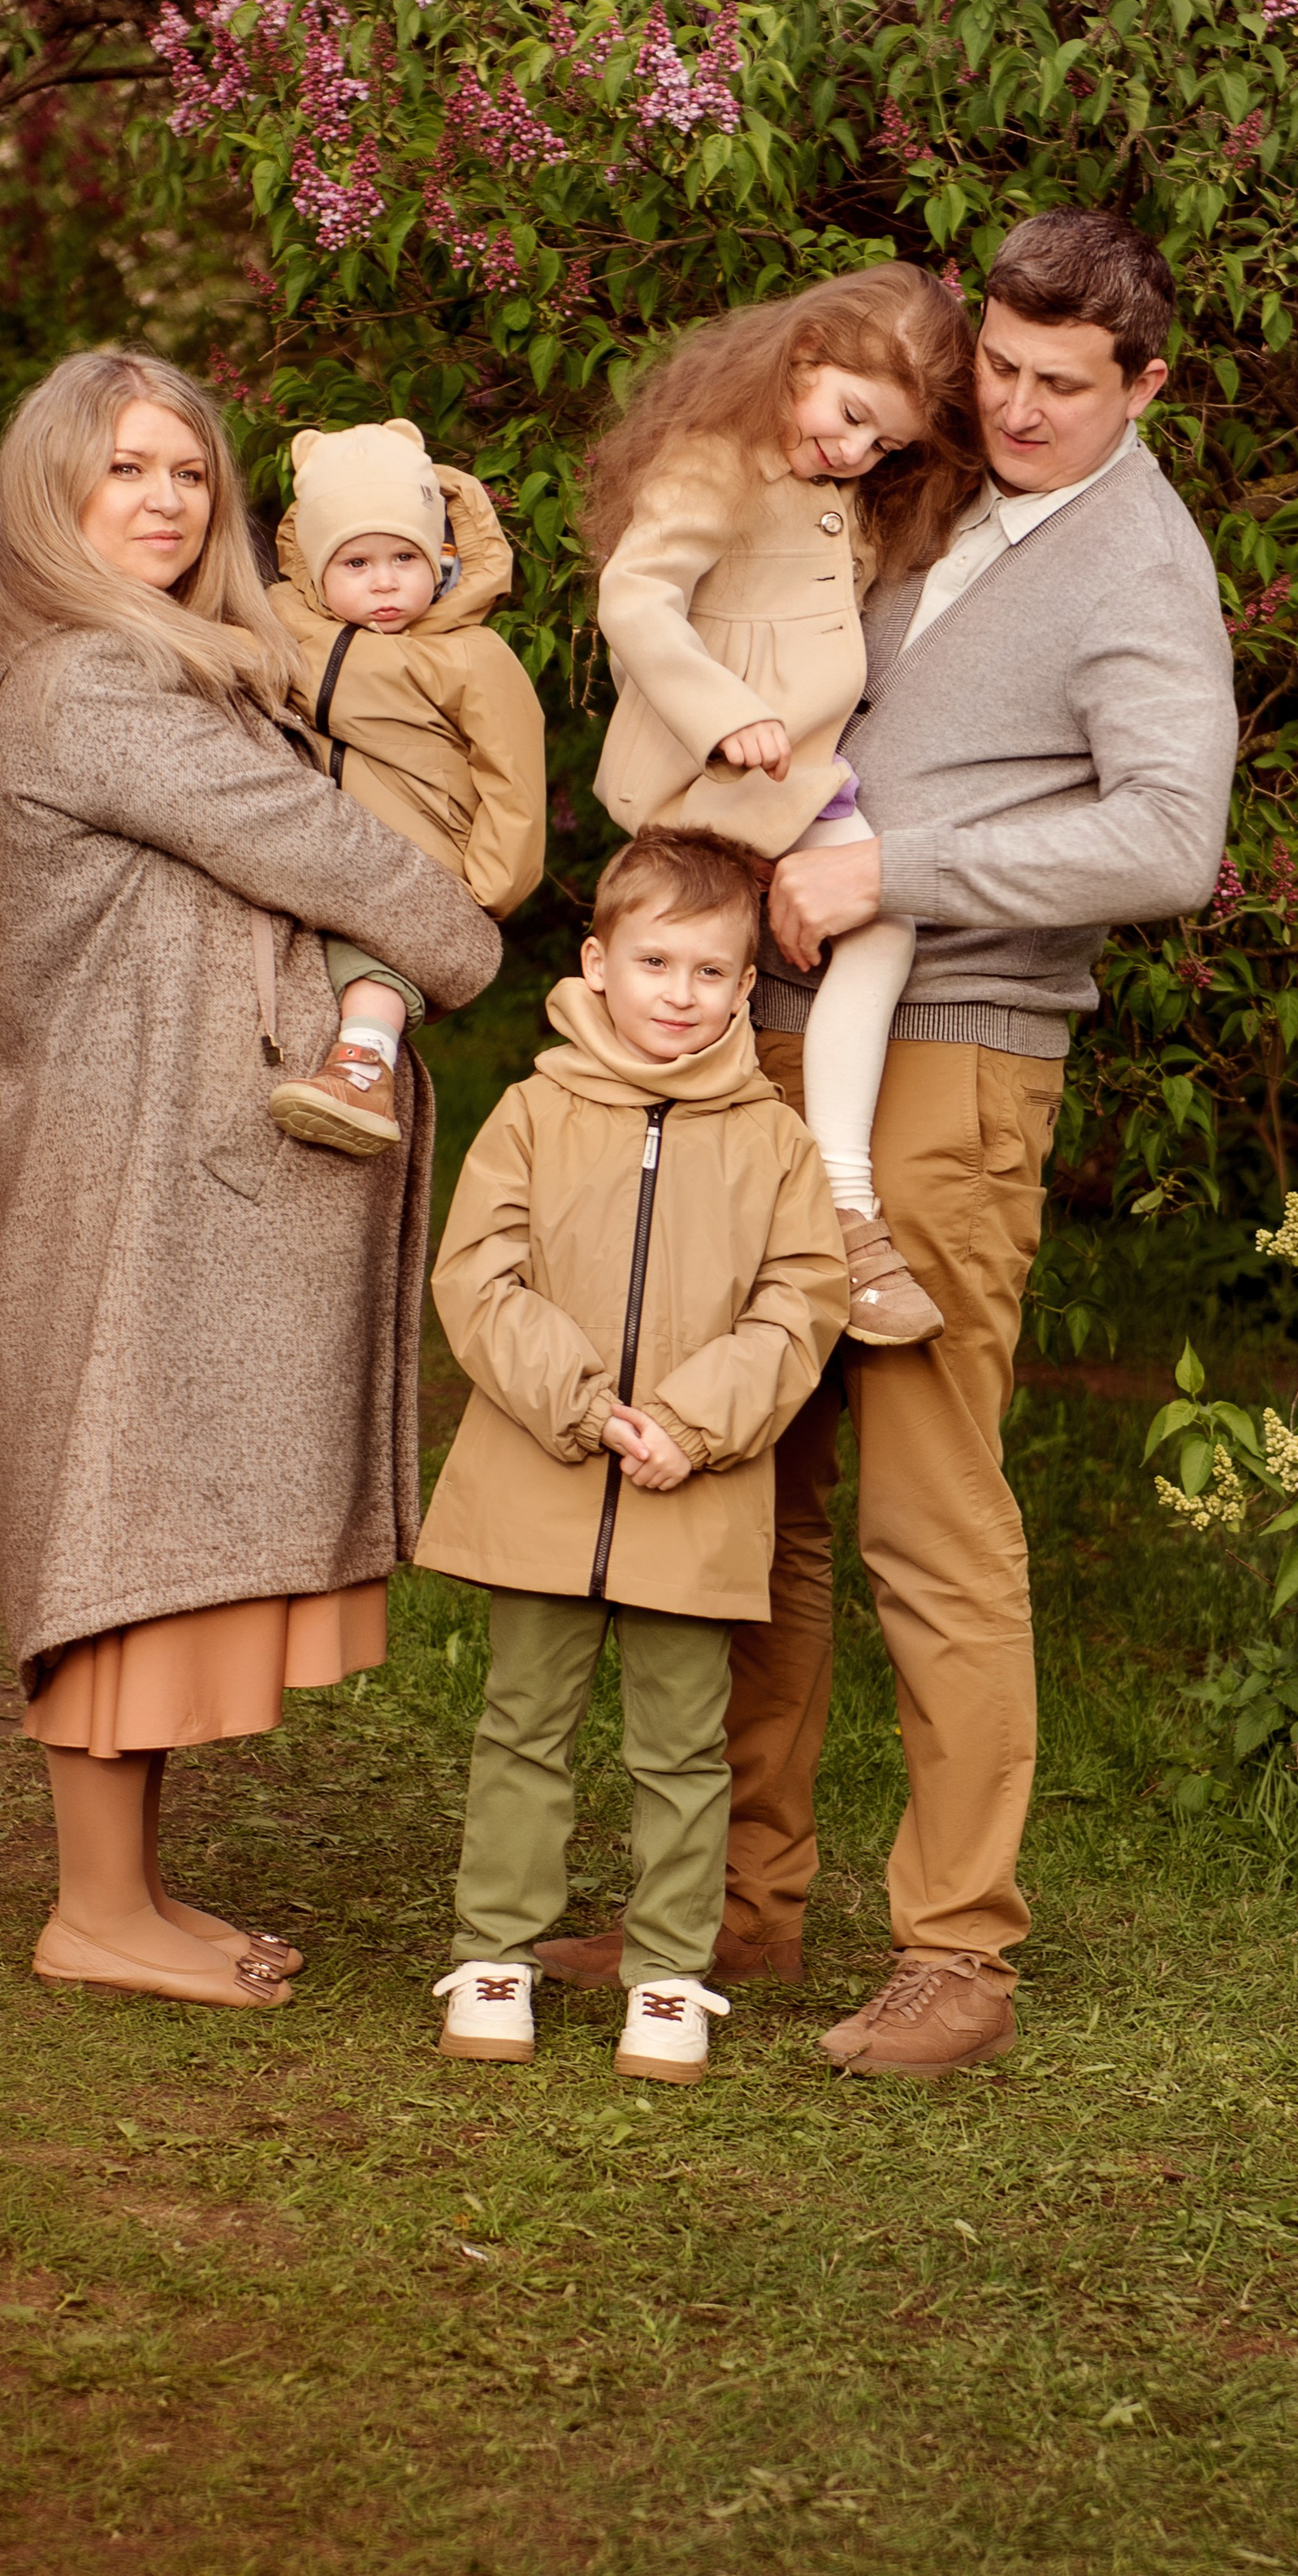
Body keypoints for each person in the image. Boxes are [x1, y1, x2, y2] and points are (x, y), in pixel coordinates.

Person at [540, 208, 1239, 2077]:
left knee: (925, 1512)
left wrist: (894, 866)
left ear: (1144, 385)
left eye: (1059, 384)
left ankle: (956, 1950)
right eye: (993, 365)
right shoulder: (921, 492)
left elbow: (1166, 836)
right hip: (763, 1036)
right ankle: (731, 1903)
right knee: (744, 1485)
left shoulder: (1136, 565)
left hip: (952, 1057)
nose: (1012, 406)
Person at [0, 350, 500, 2009]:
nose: (162, 500)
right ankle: (95, 1910)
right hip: (136, 1159)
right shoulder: (94, 682)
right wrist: (456, 933)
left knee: (145, 1505)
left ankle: (129, 1893)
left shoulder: (168, 665)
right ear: (50, 492)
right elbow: (320, 847)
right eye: (123, 468)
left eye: (187, 472)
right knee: (117, 1511)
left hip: (163, 1151)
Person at [413, 828, 848, 2085]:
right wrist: (586, 1404)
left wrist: (693, 1423)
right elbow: (477, 1274)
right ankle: (494, 1953)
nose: (680, 993)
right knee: (522, 1725)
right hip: (544, 1476)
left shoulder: (773, 1139)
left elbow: (802, 1301)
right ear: (599, 962)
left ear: (746, 984)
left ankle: (667, 1970)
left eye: (711, 971)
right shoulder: (533, 1112)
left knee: (684, 1745)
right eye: (655, 961)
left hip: (693, 1492)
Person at [586, 262, 980, 1351]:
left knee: (873, 925)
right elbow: (636, 597)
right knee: (696, 965)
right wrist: (723, 713)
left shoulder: (833, 494)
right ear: (801, 359)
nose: (856, 452)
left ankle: (834, 1194)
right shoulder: (716, 459)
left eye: (884, 444)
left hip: (791, 783)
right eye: (850, 416)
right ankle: (703, 1193)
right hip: (719, 777)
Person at [263, 417, 546, 1156]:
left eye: (404, 557)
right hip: (322, 846)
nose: (384, 581)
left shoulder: (470, 655)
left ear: (439, 558)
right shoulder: (287, 625)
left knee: (373, 956)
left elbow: (514, 778)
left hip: (422, 852)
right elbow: (232, 654)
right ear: (316, 570)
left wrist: (485, 891)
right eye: (356, 562)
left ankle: (363, 1070)